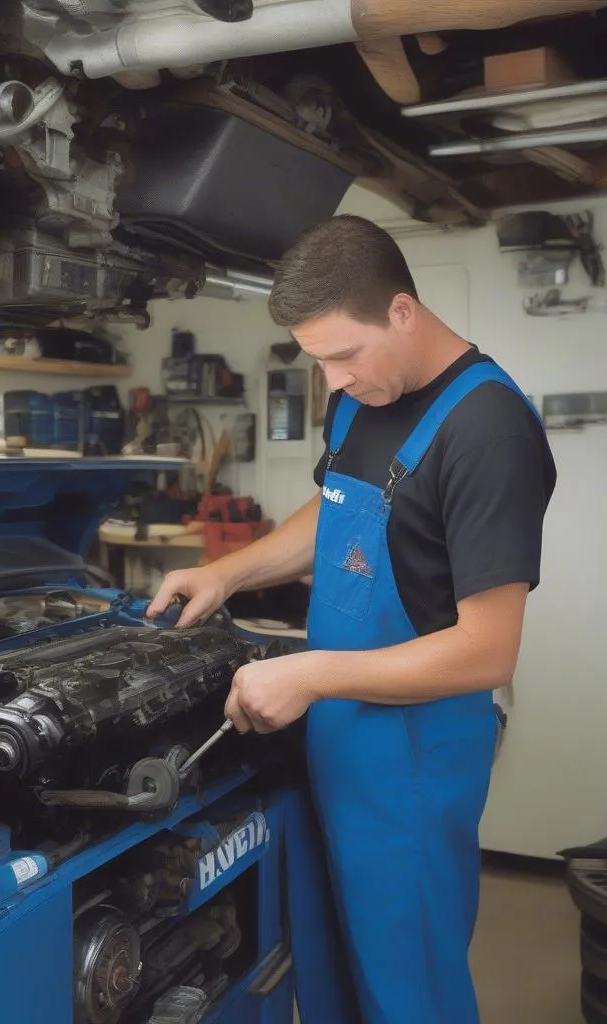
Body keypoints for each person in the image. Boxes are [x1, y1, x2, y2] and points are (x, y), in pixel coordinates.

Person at [146, 215, 557, 1023]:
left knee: (409, 991)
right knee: (327, 975)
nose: (333, 380)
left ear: (402, 311)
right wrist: (227, 573)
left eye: (343, 354)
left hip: (414, 759)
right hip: (334, 734)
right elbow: (334, 508)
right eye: (319, 359)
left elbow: (488, 651)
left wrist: (306, 671)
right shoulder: (366, 394)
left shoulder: (489, 429)